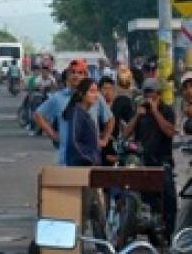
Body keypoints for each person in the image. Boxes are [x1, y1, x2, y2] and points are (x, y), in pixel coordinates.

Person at [34, 59, 115, 165]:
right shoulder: (58, 98)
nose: (76, 75)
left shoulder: (95, 97)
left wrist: (104, 140)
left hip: (90, 157)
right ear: (67, 75)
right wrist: (53, 134)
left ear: (86, 75)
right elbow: (38, 115)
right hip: (66, 158)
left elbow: (110, 119)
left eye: (80, 73)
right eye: (72, 72)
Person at [124, 78, 177, 239]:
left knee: (168, 196)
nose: (148, 96)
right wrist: (137, 117)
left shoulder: (167, 110)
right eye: (145, 92)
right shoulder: (140, 111)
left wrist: (155, 111)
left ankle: (169, 234)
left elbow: (170, 132)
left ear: (158, 94)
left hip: (162, 160)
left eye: (151, 92)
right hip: (143, 160)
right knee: (140, 197)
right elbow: (126, 133)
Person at [63, 78, 101, 166]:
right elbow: (74, 142)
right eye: (92, 91)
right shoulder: (77, 113)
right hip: (80, 165)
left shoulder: (85, 113)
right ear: (81, 94)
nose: (95, 95)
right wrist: (89, 159)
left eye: (96, 91)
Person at [98, 76, 134, 165]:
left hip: (118, 146)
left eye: (110, 88)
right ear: (99, 91)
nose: (107, 91)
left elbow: (130, 123)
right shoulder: (96, 105)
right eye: (105, 88)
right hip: (100, 146)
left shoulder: (122, 102)